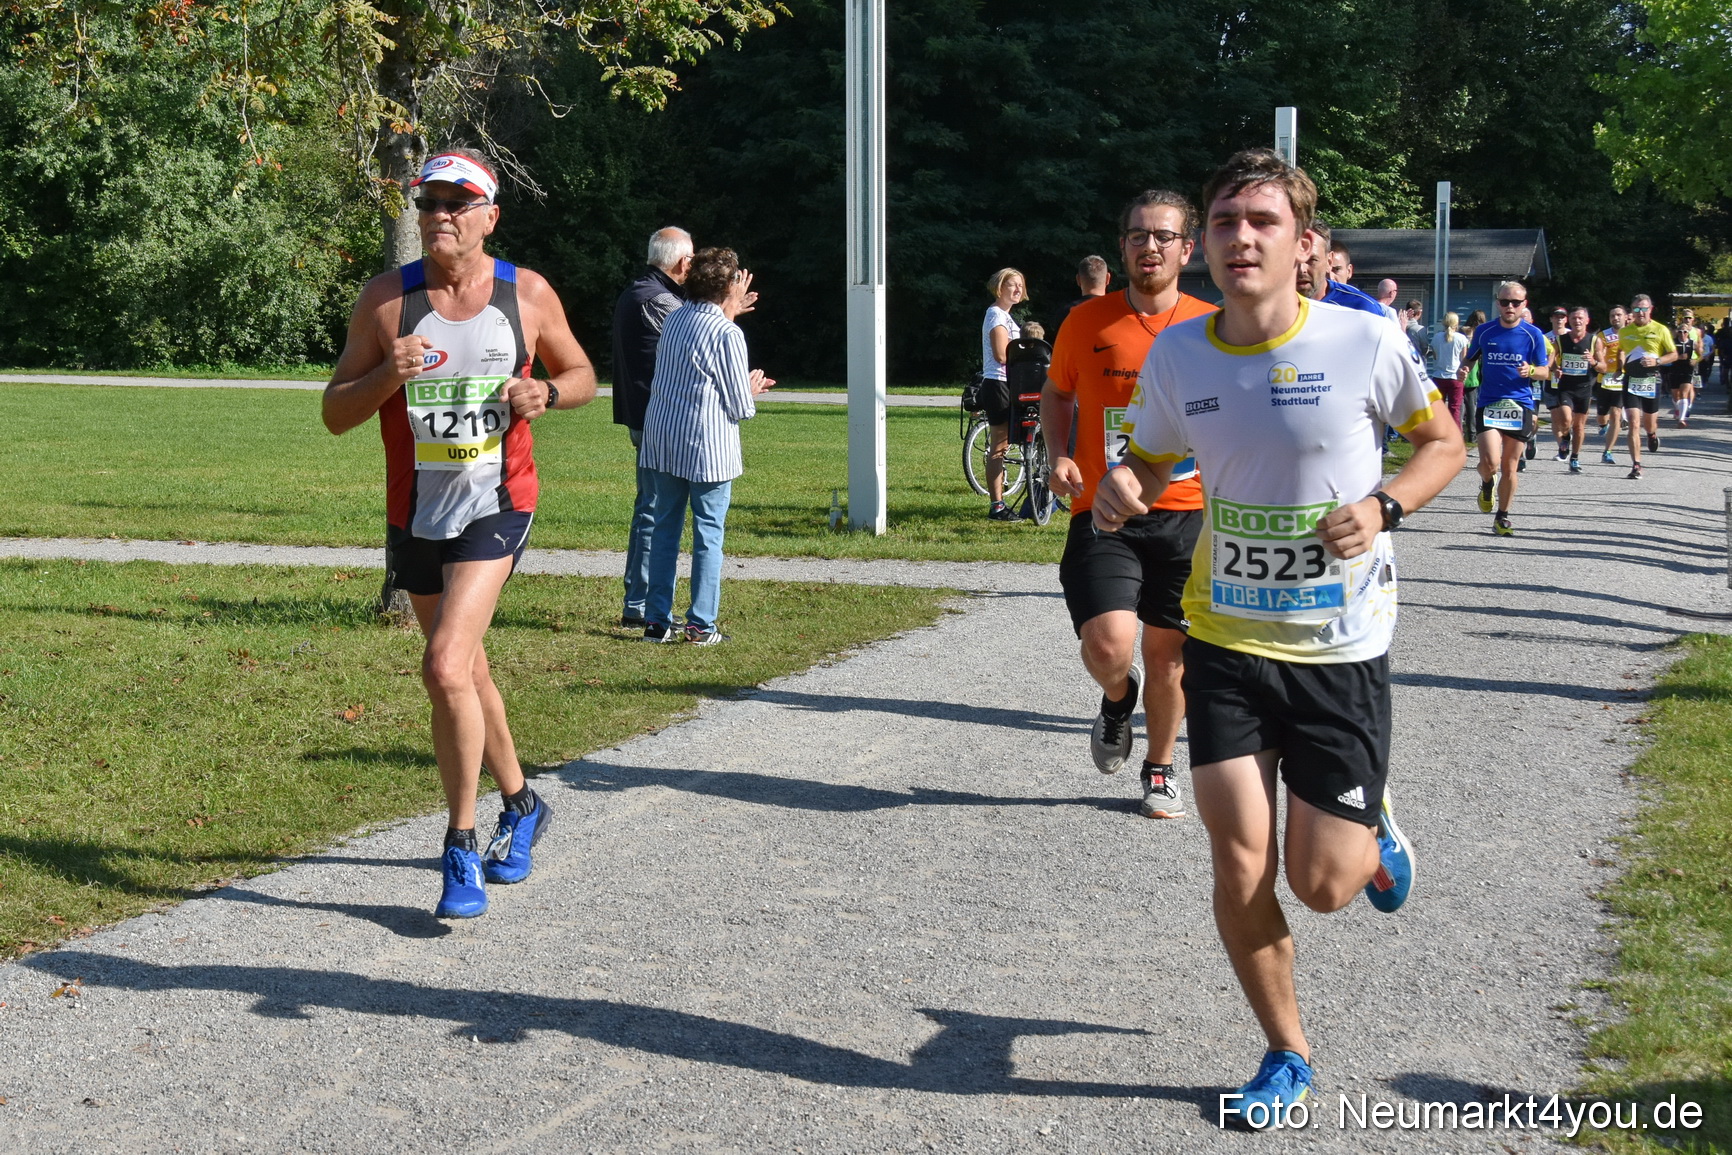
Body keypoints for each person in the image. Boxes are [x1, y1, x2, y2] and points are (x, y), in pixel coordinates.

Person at [1093, 148, 1463, 1125]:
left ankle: (1372, 832)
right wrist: (1126, 481)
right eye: (1224, 221)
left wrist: (1383, 506)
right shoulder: (1181, 353)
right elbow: (1151, 456)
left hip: (1338, 648)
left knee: (1324, 884)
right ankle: (1286, 1050)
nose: (1240, 237)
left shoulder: (1363, 341)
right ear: (1205, 243)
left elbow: (1442, 444)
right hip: (1225, 642)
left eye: (1263, 221)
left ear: (1305, 246)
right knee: (1239, 861)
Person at [322, 148, 596, 918]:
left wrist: (546, 392)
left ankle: (461, 843)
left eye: (456, 201)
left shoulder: (526, 293)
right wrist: (388, 375)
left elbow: (582, 375)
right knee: (466, 670)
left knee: (443, 664)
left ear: (489, 216)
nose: (439, 213)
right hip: (416, 513)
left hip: (498, 503)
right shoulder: (386, 300)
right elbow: (335, 412)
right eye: (429, 201)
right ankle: (524, 802)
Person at [1042, 189, 1217, 818]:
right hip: (1104, 509)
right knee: (1109, 645)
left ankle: (1160, 769)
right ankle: (1118, 699)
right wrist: (1057, 453)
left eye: (1164, 236)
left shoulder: (1212, 326)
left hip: (1187, 512)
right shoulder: (1086, 322)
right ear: (1122, 247)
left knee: (1168, 656)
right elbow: (1057, 392)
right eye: (1139, 235)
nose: (1150, 246)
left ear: (1187, 249)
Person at [639, 247, 776, 644]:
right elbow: (740, 406)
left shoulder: (675, 319)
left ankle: (657, 622)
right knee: (708, 534)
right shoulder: (727, 333)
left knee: (664, 530)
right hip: (706, 446)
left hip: (664, 438)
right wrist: (751, 388)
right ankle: (700, 624)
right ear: (729, 286)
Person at [611, 228, 693, 629]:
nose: (694, 265)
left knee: (651, 507)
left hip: (643, 416)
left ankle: (638, 601)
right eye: (692, 258)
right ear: (680, 261)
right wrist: (727, 311)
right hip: (656, 420)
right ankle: (641, 604)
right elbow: (698, 341)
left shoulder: (637, 291)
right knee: (656, 511)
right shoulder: (658, 299)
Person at [1462, 281, 1551, 535]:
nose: (1510, 306)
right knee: (1490, 463)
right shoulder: (1485, 331)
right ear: (1497, 304)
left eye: (1515, 302)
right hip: (1490, 403)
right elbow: (1470, 358)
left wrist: (1531, 370)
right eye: (1504, 302)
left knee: (1510, 466)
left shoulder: (1533, 334)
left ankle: (1502, 517)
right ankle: (1487, 483)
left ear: (1524, 304)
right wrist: (1464, 368)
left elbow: (1545, 371)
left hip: (1519, 405)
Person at [980, 268, 1027, 521]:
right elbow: (1001, 354)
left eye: (1020, 285)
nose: (1018, 289)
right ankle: (997, 505)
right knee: (999, 445)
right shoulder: (996, 314)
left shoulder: (1007, 316)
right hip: (998, 384)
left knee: (1006, 443)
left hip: (1010, 383)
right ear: (1000, 287)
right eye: (1012, 284)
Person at [1616, 295, 1678, 477]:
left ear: (1650, 309)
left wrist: (1657, 361)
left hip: (1651, 380)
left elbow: (1673, 354)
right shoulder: (1624, 332)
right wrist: (1620, 367)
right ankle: (1636, 465)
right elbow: (1621, 350)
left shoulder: (1660, 329)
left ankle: (1651, 434)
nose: (1640, 312)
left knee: (1649, 423)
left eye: (1644, 309)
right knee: (1633, 423)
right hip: (1631, 380)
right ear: (1631, 311)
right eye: (1636, 309)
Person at [1547, 306, 1601, 472]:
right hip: (1566, 387)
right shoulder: (1561, 340)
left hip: (1584, 388)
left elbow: (1604, 367)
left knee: (1579, 426)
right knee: (1565, 419)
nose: (1577, 321)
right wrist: (1555, 368)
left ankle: (1575, 458)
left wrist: (1593, 362)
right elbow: (1550, 360)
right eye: (1574, 318)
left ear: (1587, 320)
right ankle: (1565, 437)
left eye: (1580, 318)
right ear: (1569, 321)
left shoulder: (1594, 341)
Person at [1425, 312, 1470, 429]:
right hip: (1455, 377)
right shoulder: (1461, 338)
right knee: (1455, 408)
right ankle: (1456, 434)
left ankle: (1437, 432)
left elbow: (1435, 356)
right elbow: (1464, 359)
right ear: (1457, 323)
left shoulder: (1436, 337)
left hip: (1438, 376)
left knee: (1438, 409)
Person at [1596, 304, 1628, 460]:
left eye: (1618, 315)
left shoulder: (1632, 334)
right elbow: (1598, 353)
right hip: (1605, 378)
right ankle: (1603, 425)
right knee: (1602, 415)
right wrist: (1601, 358)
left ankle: (1608, 451)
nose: (1615, 318)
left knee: (1616, 413)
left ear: (1626, 317)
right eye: (1612, 316)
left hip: (1622, 378)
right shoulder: (1603, 335)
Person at [1668, 312, 1701, 426]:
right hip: (1674, 369)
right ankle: (1678, 409)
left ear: (1688, 333)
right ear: (1677, 332)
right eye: (1680, 331)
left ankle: (1682, 419)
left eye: (1685, 332)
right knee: (1675, 395)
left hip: (1687, 369)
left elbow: (1701, 354)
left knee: (1684, 393)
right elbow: (1665, 355)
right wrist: (1677, 357)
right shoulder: (1672, 343)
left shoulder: (1692, 343)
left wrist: (1695, 360)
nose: (1683, 334)